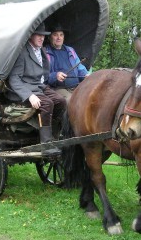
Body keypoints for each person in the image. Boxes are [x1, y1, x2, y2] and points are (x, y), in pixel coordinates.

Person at [6, 23, 66, 156]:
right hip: (25, 89)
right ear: (30, 36)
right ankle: (45, 144)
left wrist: (46, 85)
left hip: (39, 86)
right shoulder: (22, 52)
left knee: (61, 101)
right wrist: (29, 96)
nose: (41, 38)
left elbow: (44, 73)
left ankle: (54, 136)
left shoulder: (41, 50)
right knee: (47, 103)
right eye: (38, 35)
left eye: (43, 36)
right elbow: (14, 79)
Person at [45, 24, 89, 101]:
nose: (59, 38)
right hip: (58, 89)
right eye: (55, 35)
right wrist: (56, 75)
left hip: (77, 86)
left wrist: (85, 75)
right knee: (71, 101)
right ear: (49, 37)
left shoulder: (70, 50)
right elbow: (42, 76)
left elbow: (80, 68)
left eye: (61, 35)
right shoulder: (45, 52)